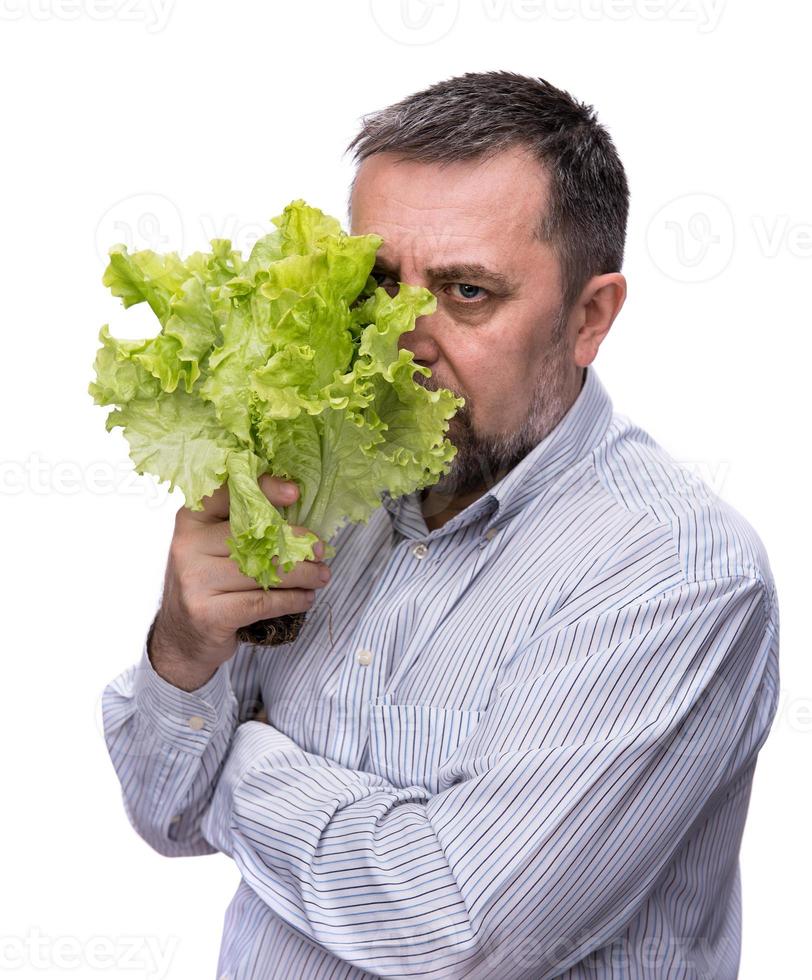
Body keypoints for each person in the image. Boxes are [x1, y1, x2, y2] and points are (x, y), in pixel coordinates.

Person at [101, 71, 779, 979]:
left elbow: (455, 931)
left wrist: (240, 755)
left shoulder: (679, 571)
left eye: (466, 293)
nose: (401, 339)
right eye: (376, 285)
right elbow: (163, 816)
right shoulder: (324, 493)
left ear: (589, 317)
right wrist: (183, 650)